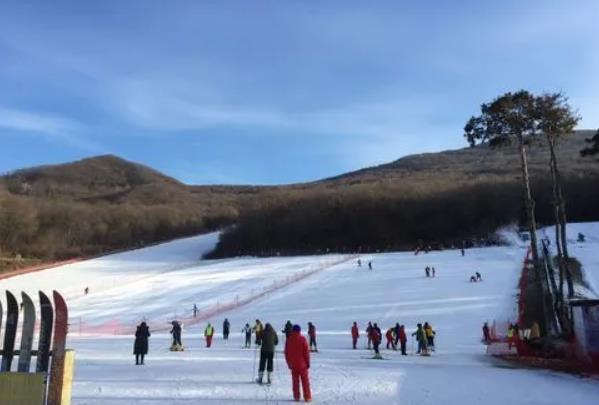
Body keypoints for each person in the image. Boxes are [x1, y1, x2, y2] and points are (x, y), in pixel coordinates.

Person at [285, 325, 312, 402]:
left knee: (295, 381)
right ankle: (307, 397)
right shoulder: (302, 339)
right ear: (299, 331)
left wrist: (289, 363)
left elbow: (286, 353)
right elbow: (306, 352)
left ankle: (296, 396)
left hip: (293, 364)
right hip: (302, 364)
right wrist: (307, 363)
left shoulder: (289, 340)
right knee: (305, 381)